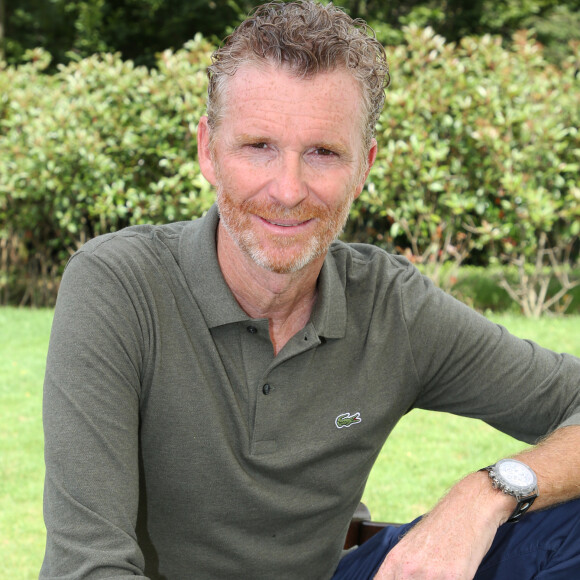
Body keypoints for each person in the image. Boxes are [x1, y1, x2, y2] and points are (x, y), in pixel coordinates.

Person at [40, 1, 580, 579]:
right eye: (259, 146)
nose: (288, 189)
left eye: (322, 152)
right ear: (208, 150)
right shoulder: (119, 285)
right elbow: (87, 567)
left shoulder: (390, 305)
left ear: (363, 166)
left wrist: (489, 492)